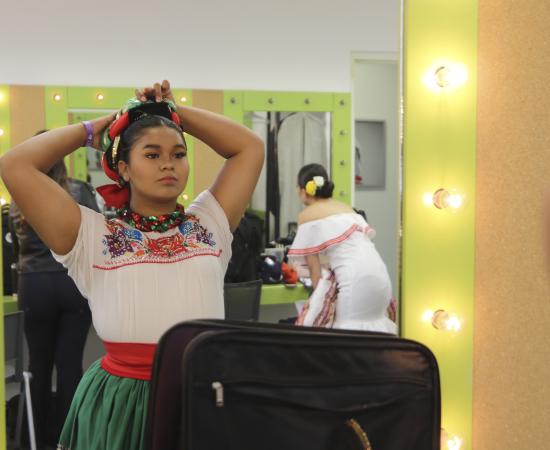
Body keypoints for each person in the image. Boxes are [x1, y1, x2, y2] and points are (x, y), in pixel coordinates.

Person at [0, 80, 264, 450]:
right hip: (122, 402)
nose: (168, 164)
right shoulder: (92, 236)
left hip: (200, 390)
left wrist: (172, 111)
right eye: (152, 155)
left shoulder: (209, 223)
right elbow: (14, 164)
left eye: (178, 154)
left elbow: (249, 147)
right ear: (123, 168)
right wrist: (92, 130)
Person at [9, 155, 98, 449]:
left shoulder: (20, 196)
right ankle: (69, 440)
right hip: (71, 283)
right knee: (70, 364)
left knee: (38, 364)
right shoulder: (80, 190)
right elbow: (96, 235)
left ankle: (33, 440)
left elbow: (16, 244)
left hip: (34, 284)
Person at [288, 163, 396, 333]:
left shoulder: (307, 215)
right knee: (374, 334)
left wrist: (317, 306)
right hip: (380, 278)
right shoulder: (347, 208)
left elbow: (315, 272)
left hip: (355, 281)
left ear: (302, 190)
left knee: (347, 338)